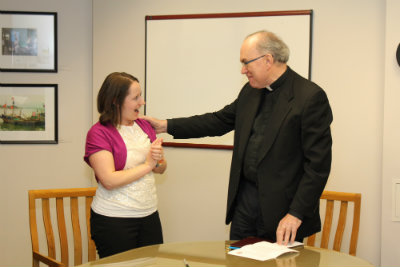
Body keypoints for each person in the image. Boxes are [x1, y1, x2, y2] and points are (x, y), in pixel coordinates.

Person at [143, 30, 333, 245]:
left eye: (246, 63)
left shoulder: (309, 97)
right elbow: (217, 121)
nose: (243, 70)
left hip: (284, 212)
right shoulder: (250, 92)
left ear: (268, 60)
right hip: (245, 205)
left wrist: (295, 214)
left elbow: (317, 166)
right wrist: (166, 125)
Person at [84, 72, 167, 258]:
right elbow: (109, 180)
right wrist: (147, 165)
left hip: (149, 214)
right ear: (116, 100)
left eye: (141, 96)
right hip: (115, 220)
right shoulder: (98, 133)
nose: (142, 102)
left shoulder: (144, 126)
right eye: (135, 97)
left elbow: (161, 168)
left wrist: (158, 159)